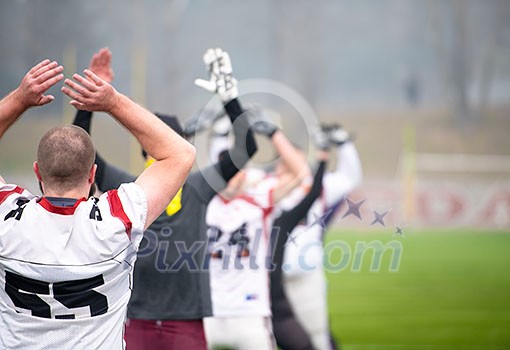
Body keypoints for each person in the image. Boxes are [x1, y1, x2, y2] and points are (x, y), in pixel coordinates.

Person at [0, 59, 195, 349]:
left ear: (37, 171)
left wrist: (19, 99)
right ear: (93, 174)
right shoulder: (116, 221)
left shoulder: (7, 218)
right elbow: (181, 153)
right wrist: (112, 102)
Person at [72, 47, 257, 350]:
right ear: (147, 146)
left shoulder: (197, 186)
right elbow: (80, 152)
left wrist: (229, 97)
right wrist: (92, 98)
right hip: (137, 318)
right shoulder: (129, 187)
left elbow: (246, 148)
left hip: (185, 319)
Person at [203, 113, 312, 350]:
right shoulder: (202, 201)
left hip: (249, 311)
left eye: (237, 171)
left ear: (245, 173)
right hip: (208, 311)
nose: (232, 179)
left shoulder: (258, 200)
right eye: (226, 173)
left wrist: (275, 135)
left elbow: (303, 177)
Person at [281, 124, 363, 350]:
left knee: (317, 334)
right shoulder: (267, 187)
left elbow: (350, 177)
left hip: (307, 275)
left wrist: (344, 144)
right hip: (270, 280)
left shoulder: (320, 187)